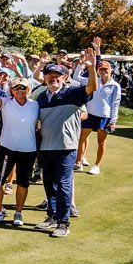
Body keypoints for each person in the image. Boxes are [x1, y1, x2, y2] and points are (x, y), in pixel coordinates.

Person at [35, 54, 98, 237]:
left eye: (57, 76)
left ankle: (64, 223)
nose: (53, 78)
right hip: (46, 147)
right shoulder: (41, 98)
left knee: (63, 184)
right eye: (49, 75)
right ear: (45, 78)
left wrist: (91, 68)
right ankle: (52, 216)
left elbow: (92, 87)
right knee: (49, 183)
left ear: (64, 78)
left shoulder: (72, 93)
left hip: (66, 147)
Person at [0, 75, 39, 226]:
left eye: (23, 87)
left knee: (23, 182)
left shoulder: (35, 105)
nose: (20, 90)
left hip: (28, 149)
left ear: (28, 89)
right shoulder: (6, 102)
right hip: (6, 147)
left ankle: (18, 213)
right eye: (16, 87)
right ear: (11, 90)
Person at [77, 43, 121, 176]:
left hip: (104, 116)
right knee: (81, 139)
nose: (103, 72)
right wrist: (81, 64)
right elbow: (76, 78)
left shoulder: (115, 86)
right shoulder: (93, 80)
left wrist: (113, 121)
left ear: (110, 70)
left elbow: (115, 104)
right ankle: (78, 162)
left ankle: (96, 165)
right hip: (90, 114)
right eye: (101, 70)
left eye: (105, 70)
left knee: (101, 142)